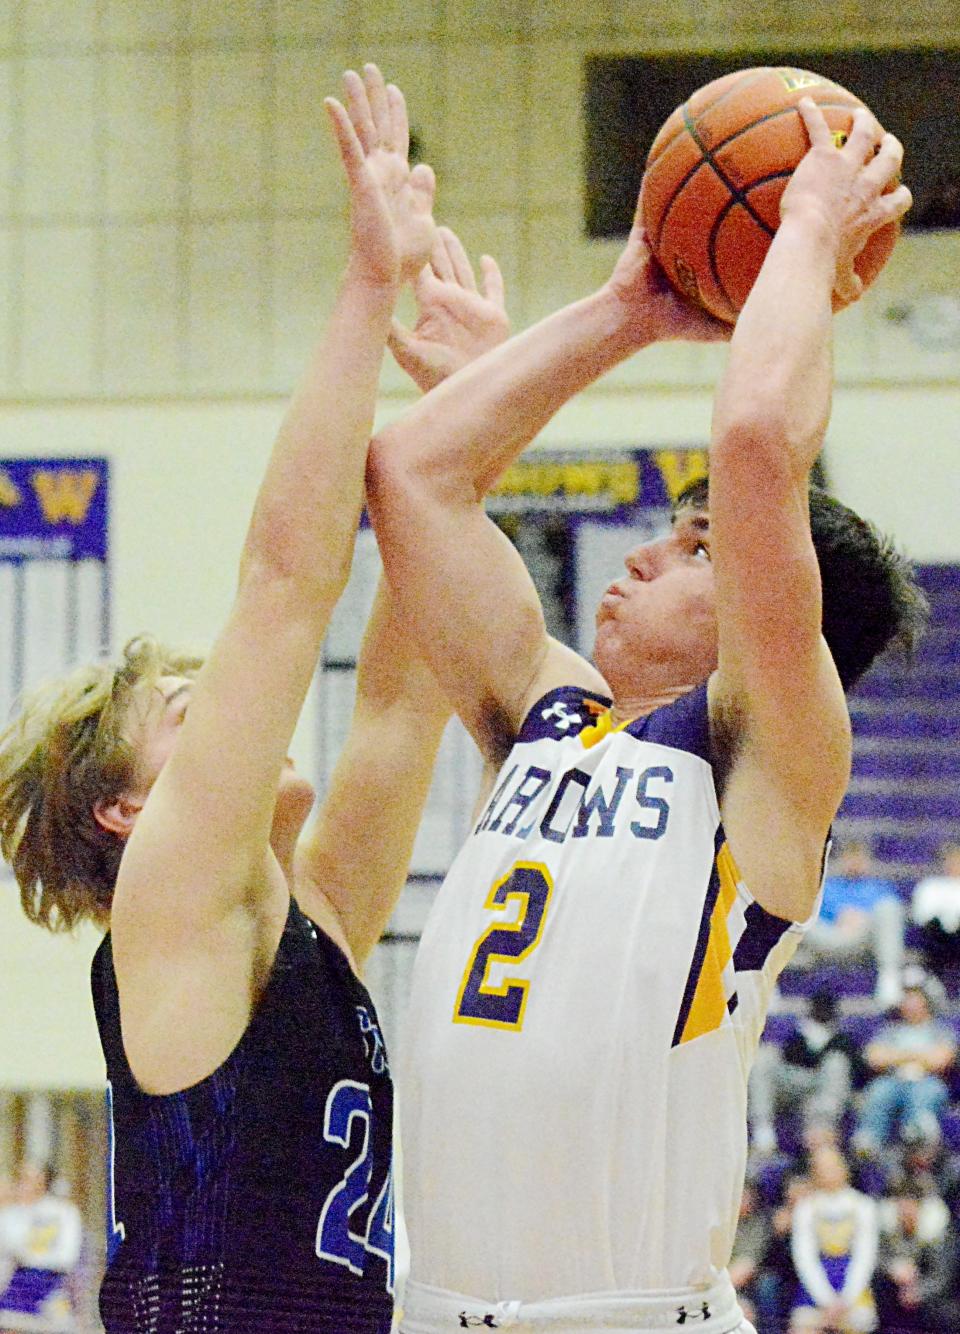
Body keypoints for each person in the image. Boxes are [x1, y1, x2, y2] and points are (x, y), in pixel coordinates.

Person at [366, 99, 919, 1333]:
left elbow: (760, 440)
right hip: (435, 1310)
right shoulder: (545, 717)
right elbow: (410, 477)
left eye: (693, 544)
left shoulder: (762, 761)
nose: (642, 556)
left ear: (771, 607)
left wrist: (810, 233)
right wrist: (628, 309)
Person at [0, 65, 447, 1334]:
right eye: (178, 705)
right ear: (130, 812)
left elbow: (407, 704)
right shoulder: (176, 899)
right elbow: (287, 578)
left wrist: (459, 409)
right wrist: (368, 284)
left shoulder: (299, 923)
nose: (219, 699)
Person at [750, 986, 859, 1156]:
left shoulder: (843, 1039)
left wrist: (826, 1044)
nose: (821, 1013)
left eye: (825, 1010)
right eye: (817, 1009)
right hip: (795, 1084)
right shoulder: (798, 1035)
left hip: (828, 1092)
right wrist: (805, 1041)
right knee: (765, 1054)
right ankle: (763, 1130)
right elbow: (788, 1060)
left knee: (836, 1063)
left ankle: (821, 1134)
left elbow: (856, 1069)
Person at [795, 838, 904, 1006]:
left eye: (859, 859)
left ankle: (888, 977)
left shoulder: (880, 888)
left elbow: (886, 919)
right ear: (841, 860)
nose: (855, 863)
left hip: (862, 941)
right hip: (827, 939)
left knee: (889, 909)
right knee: (798, 914)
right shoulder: (826, 887)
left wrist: (862, 918)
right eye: (850, 858)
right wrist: (839, 916)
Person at [854, 983, 957, 1152]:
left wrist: (896, 1056)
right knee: (878, 1091)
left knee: (923, 1095)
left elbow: (940, 1060)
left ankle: (917, 1144)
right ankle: (868, 1145)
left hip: (927, 1080)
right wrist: (919, 1056)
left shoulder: (941, 1031)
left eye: (915, 1001)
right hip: (892, 1080)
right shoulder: (890, 1031)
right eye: (906, 1001)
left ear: (926, 1004)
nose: (909, 1006)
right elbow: (874, 1058)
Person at [788, 1146, 878, 1333]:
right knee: (803, 1324)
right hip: (816, 1289)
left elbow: (865, 1257)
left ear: (844, 1168)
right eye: (821, 1168)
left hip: (853, 1289)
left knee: (861, 1321)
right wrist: (826, 1301)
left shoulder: (863, 1206)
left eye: (832, 1166)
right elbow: (804, 1258)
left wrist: (845, 1300)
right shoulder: (805, 1208)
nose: (827, 1173)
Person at [0, 1163, 82, 1334]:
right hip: (13, 1279)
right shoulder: (11, 1213)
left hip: (51, 1280)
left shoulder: (63, 1212)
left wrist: (31, 1257)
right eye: (22, 1179)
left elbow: (67, 1257)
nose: (23, 1185)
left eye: (30, 1179)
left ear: (44, 1182)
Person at [874, 1174, 960, 1332]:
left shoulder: (938, 1233)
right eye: (901, 1206)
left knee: (948, 1315)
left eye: (910, 1205)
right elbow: (875, 1257)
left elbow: (942, 1277)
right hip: (895, 1291)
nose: (905, 1212)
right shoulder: (887, 1228)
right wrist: (892, 1267)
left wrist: (919, 1291)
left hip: (930, 1296)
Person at [910, 839, 960, 985]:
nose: (954, 865)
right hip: (937, 938)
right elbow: (921, 916)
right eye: (951, 861)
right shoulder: (929, 886)